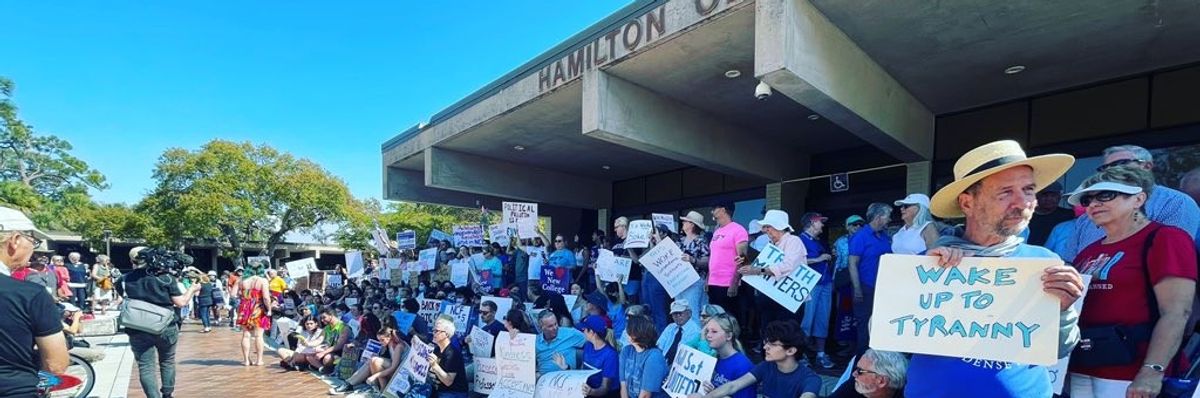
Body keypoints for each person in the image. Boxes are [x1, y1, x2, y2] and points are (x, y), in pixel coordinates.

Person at [912, 139, 1084, 397]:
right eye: (1005, 192)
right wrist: (920, 280)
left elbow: (1060, 348)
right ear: (967, 203)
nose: (1022, 202)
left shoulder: (1044, 262)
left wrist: (1063, 311)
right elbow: (883, 333)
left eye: (1028, 190)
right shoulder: (930, 262)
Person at [1066, 168, 1197, 397]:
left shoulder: (1166, 238)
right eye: (1087, 199)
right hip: (1083, 366)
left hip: (1132, 373)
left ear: (1138, 199)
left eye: (1105, 195)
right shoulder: (1088, 251)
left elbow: (1177, 312)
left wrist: (1152, 370)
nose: (1094, 204)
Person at [1060, 145, 1200, 262]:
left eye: (1120, 163)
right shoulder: (1087, 217)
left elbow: (1171, 257)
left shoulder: (1176, 202)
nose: (1111, 170)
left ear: (1146, 166)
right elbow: (1070, 261)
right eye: (1105, 167)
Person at [116, 246, 203, 398]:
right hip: (165, 325)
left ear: (132, 260)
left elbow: (124, 298)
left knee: (145, 366)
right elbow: (181, 302)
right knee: (167, 360)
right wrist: (192, 289)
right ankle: (167, 394)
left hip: (137, 327)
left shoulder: (124, 279)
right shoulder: (165, 278)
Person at [0, 206, 68, 397]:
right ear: (15, 240)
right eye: (33, 242)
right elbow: (56, 365)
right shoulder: (30, 294)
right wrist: (42, 386)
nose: (34, 250)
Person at [689, 320, 822, 398]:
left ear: (791, 350)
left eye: (772, 344)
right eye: (766, 342)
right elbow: (733, 386)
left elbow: (808, 395)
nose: (765, 347)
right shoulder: (766, 366)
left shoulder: (810, 379)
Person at [736, 210, 806, 332]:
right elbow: (761, 266)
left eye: (768, 226)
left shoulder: (793, 241)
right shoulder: (771, 244)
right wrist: (747, 267)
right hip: (770, 297)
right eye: (765, 227)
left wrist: (757, 270)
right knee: (768, 332)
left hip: (787, 300)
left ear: (779, 226)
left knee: (786, 334)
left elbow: (787, 266)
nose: (765, 230)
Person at [849, 202, 893, 355]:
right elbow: (852, 264)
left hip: (883, 288)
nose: (889, 220)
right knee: (864, 325)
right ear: (879, 217)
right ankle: (862, 358)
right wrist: (857, 289)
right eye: (887, 216)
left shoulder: (884, 236)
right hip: (865, 287)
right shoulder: (860, 236)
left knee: (880, 324)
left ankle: (878, 358)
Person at [798, 212, 836, 369]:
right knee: (807, 320)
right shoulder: (799, 240)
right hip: (810, 285)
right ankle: (801, 355)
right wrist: (819, 259)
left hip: (825, 283)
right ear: (812, 223)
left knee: (822, 319)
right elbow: (794, 261)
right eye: (820, 222)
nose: (822, 225)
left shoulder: (818, 241)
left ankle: (821, 354)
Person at [333, 325, 408, 395]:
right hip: (394, 369)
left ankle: (382, 388)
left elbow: (394, 367)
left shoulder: (398, 346)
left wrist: (374, 376)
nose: (381, 342)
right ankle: (350, 383)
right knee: (372, 360)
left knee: (375, 360)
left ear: (389, 337)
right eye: (379, 340)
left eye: (382, 340)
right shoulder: (389, 344)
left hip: (400, 373)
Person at [707, 203, 750, 319]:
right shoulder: (717, 231)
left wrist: (735, 282)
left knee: (730, 318)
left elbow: (742, 258)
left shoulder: (738, 230)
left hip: (728, 282)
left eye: (714, 208)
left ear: (723, 210)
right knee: (715, 317)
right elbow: (713, 256)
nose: (712, 212)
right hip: (713, 282)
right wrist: (708, 279)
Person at [700, 313, 755, 398]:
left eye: (714, 332)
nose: (708, 335)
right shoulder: (713, 359)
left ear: (729, 336)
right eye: (707, 331)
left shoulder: (742, 366)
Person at [833, 215, 865, 353]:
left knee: (860, 312)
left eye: (860, 224)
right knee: (845, 310)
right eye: (854, 224)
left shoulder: (866, 239)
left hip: (862, 279)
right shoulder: (840, 241)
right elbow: (837, 262)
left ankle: (858, 344)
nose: (857, 227)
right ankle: (845, 343)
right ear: (847, 226)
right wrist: (835, 281)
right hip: (845, 280)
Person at [620, 316, 669, 398]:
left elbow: (645, 395)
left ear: (634, 335)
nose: (625, 332)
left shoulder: (654, 357)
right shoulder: (626, 351)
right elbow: (623, 385)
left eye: (627, 330)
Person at [828, 349, 909, 398]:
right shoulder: (857, 385)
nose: (854, 374)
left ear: (881, 381)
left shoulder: (908, 394)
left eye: (860, 371)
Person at [236, 261, 272, 366]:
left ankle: (246, 360)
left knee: (245, 335)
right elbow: (266, 298)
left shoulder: (242, 280)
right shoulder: (263, 280)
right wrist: (269, 309)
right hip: (258, 308)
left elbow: (236, 294)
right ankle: (259, 360)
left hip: (244, 308)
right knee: (258, 335)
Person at [678, 210, 710, 323]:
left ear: (692, 224)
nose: (683, 223)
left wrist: (693, 260)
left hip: (694, 281)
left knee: (692, 311)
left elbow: (707, 261)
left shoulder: (700, 241)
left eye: (685, 221)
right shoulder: (680, 241)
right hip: (679, 281)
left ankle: (695, 333)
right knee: (679, 311)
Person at [579, 315, 620, 398]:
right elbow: (582, 370)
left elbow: (605, 388)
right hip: (589, 390)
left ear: (592, 332)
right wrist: (567, 367)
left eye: (584, 330)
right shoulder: (588, 346)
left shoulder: (610, 355)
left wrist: (591, 391)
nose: (583, 332)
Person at [536, 309, 586, 375]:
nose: (555, 328)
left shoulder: (570, 334)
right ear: (541, 327)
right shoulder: (535, 342)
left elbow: (593, 341)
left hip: (566, 376)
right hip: (543, 377)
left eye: (555, 324)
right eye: (550, 326)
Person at [429, 315, 468, 398]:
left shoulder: (452, 353)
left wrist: (435, 365)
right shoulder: (437, 349)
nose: (433, 333)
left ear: (446, 334)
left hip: (454, 392)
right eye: (433, 330)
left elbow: (448, 381)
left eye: (436, 331)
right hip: (440, 389)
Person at [1027, 182, 1075, 246]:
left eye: (1053, 196)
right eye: (1045, 195)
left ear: (1059, 197)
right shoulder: (1026, 216)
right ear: (1037, 196)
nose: (1049, 199)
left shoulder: (1069, 215)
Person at [658, 299, 701, 364]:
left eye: (680, 313)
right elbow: (659, 347)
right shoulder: (670, 327)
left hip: (680, 365)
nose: (677, 316)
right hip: (663, 362)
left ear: (689, 313)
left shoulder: (695, 331)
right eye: (675, 314)